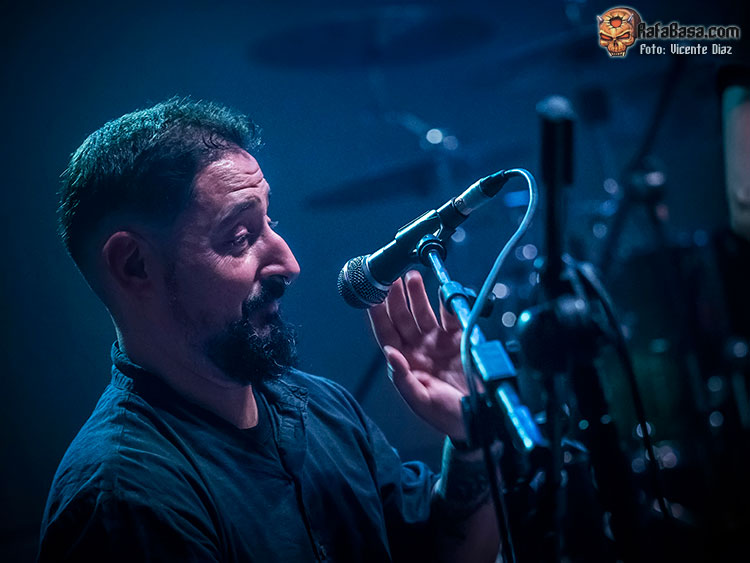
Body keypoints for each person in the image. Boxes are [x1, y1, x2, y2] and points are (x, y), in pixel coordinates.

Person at [37, 98, 500, 562]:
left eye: (269, 221)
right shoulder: (125, 499)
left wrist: (471, 441)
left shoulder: (323, 407)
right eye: (239, 236)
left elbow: (442, 551)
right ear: (134, 265)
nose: (289, 264)